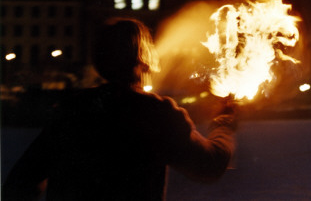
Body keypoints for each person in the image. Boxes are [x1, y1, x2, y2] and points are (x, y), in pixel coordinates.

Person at [3, 18, 236, 201]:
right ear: (142, 58)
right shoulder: (155, 113)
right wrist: (224, 122)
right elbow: (209, 166)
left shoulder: (73, 110)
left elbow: (21, 182)